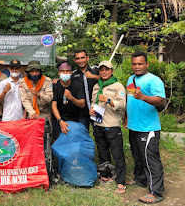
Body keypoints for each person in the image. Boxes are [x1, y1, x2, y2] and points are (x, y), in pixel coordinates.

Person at [124, 52, 165, 204]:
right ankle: (140, 179)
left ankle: (156, 192)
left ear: (147, 64)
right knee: (138, 156)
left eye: (140, 64)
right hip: (134, 125)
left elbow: (160, 100)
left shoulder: (154, 80)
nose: (137, 67)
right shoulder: (131, 79)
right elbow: (130, 99)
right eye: (134, 64)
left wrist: (143, 97)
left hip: (148, 127)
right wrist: (127, 118)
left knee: (150, 159)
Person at [89, 61, 126, 194]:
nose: (104, 72)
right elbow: (93, 103)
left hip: (112, 126)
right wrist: (91, 111)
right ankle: (107, 175)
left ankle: (121, 181)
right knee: (103, 152)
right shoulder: (96, 87)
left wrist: (109, 101)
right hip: (98, 124)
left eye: (107, 70)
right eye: (101, 70)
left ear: (112, 71)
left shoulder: (118, 86)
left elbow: (123, 105)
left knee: (118, 154)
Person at [51, 61, 85, 140]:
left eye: (67, 71)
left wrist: (71, 98)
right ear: (59, 73)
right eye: (63, 71)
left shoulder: (77, 85)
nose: (65, 73)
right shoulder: (55, 85)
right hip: (58, 119)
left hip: (74, 119)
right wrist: (60, 121)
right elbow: (53, 106)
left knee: (73, 140)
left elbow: (82, 104)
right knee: (58, 141)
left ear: (71, 73)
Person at [71, 50, 99, 130]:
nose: (80, 61)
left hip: (96, 110)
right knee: (82, 135)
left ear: (87, 58)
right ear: (75, 60)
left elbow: (108, 79)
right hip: (81, 113)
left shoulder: (96, 70)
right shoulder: (73, 75)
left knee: (99, 135)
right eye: (78, 58)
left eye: (82, 58)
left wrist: (93, 76)